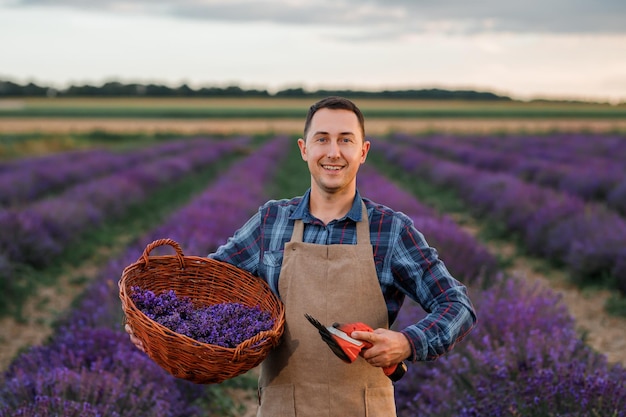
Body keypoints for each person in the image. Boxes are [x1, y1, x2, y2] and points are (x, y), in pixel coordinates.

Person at [126, 96, 477, 416]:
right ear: (304, 149)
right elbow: (205, 286)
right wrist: (156, 325)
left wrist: (406, 342)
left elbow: (457, 305)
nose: (333, 152)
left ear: (363, 151)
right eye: (321, 138)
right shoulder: (271, 222)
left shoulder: (391, 231)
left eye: (345, 139)